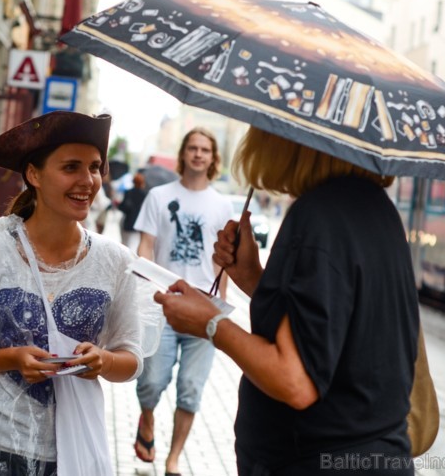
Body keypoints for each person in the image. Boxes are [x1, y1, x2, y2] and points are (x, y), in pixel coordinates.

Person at [0, 111, 162, 476]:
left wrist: (103, 361)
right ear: (34, 175)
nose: (88, 180)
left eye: (95, 167)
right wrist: (13, 357)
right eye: (71, 167)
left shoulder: (114, 261)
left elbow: (131, 359)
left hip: (72, 450)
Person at [154, 126, 419, 475]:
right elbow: (328, 323)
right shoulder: (375, 208)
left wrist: (211, 322)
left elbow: (295, 381)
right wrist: (250, 275)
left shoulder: (320, 216)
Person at [133, 127, 233, 475]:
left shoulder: (223, 205)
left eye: (205, 149)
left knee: (190, 388)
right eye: (192, 147)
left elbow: (223, 260)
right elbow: (146, 244)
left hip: (205, 308)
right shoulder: (159, 196)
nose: (198, 154)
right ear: (184, 153)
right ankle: (146, 420)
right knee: (151, 381)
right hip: (166, 304)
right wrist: (147, 287)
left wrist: (222, 301)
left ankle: (174, 459)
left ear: (213, 157)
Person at [118, 172, 148, 251]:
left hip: (127, 220)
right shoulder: (144, 195)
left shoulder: (128, 192)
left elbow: (122, 206)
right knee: (134, 245)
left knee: (124, 243)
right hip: (137, 222)